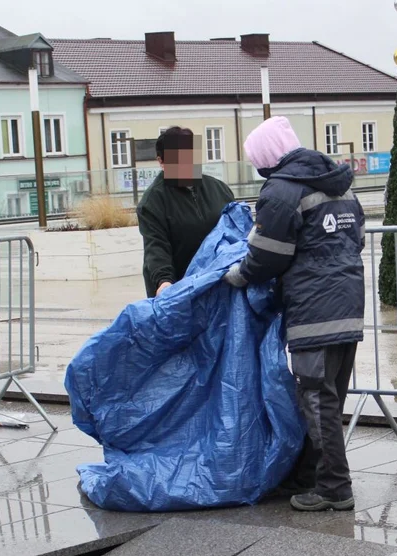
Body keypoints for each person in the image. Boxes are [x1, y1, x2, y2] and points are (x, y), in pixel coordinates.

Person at [224, 117, 366, 512]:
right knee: (329, 398)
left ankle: (335, 488)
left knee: (317, 399)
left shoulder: (281, 190)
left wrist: (239, 275)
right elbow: (357, 238)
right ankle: (309, 477)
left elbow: (269, 254)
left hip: (314, 310)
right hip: (348, 304)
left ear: (267, 159)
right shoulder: (337, 183)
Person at [137, 127, 235, 297]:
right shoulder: (153, 202)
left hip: (220, 287)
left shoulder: (219, 189)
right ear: (161, 161)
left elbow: (236, 232)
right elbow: (156, 247)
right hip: (180, 292)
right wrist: (164, 281)